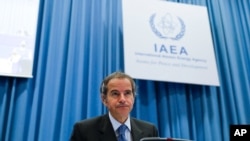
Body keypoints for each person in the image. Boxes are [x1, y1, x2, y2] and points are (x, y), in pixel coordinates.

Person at [70, 71, 158, 141]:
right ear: (104, 99)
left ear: (133, 97)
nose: (122, 99)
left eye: (127, 93)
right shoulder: (84, 130)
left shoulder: (150, 130)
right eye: (115, 94)